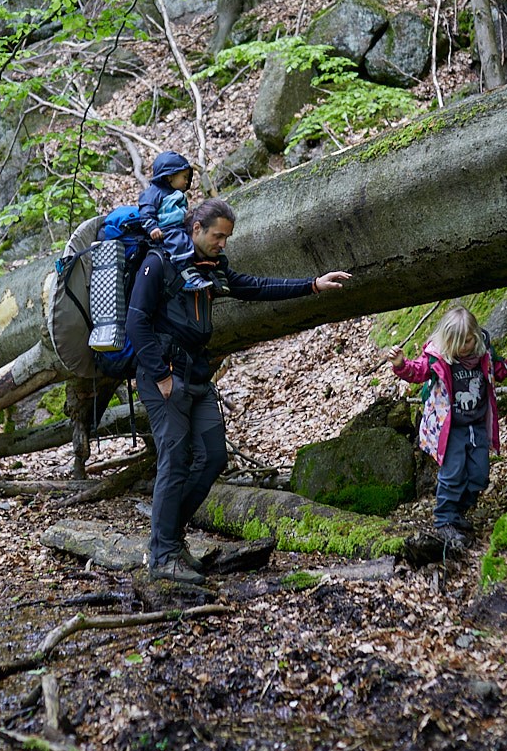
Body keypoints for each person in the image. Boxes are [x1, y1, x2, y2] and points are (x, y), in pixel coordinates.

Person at [126, 198, 352, 583]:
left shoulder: (212, 268)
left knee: (213, 457)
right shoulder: (159, 262)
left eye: (227, 237)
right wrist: (160, 375)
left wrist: (311, 285)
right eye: (218, 236)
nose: (223, 244)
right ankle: (163, 555)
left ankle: (171, 540)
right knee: (175, 459)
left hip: (196, 374)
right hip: (164, 378)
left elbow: (254, 286)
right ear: (196, 229)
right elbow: (136, 322)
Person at [387, 306, 507, 554]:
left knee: (480, 475)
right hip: (450, 426)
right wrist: (400, 364)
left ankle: (459, 511)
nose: (467, 345)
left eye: (469, 339)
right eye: (461, 342)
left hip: (476, 423)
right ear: (449, 342)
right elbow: (418, 372)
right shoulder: (437, 357)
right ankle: (444, 519)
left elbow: (496, 370)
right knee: (452, 472)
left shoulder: (482, 349)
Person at [137, 151, 217, 292]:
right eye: (184, 177)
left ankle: (213, 269)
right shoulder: (154, 193)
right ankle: (188, 277)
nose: (187, 182)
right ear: (169, 177)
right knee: (180, 242)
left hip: (180, 227)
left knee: (200, 236)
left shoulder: (176, 194)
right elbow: (146, 212)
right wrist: (153, 228)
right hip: (166, 231)